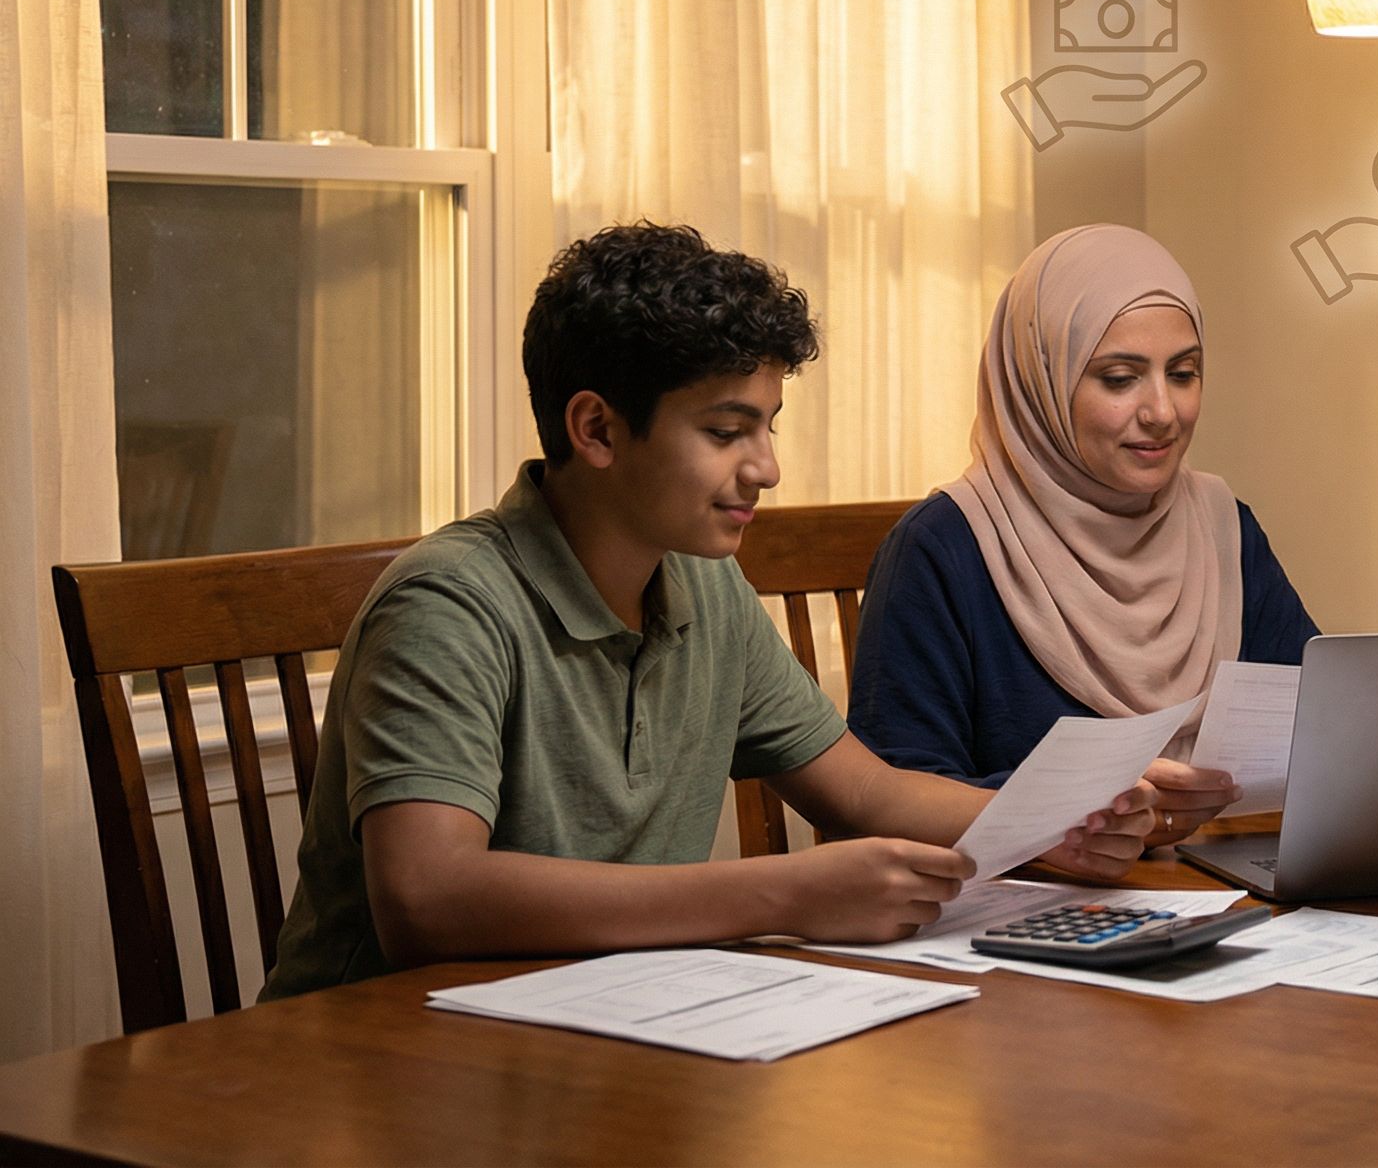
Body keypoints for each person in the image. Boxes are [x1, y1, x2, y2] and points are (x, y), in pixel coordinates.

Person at [263, 224, 1155, 1001]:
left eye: (769, 426)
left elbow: (865, 790)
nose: (766, 467)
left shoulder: (702, 586)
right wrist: (783, 892)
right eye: (727, 432)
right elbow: (429, 899)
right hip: (375, 1068)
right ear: (598, 430)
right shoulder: (451, 605)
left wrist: (1057, 828)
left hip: (604, 1024)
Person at [850, 224, 1318, 847]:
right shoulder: (942, 550)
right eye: (1120, 378)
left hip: (1224, 894)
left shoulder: (1224, 525)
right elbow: (890, 799)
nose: (1162, 411)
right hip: (1022, 916)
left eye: (1183, 373)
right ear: (1038, 381)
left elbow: (1320, 733)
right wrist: (1080, 808)